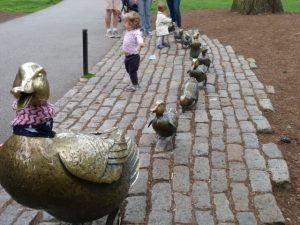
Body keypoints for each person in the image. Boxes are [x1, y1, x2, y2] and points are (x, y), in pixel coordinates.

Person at [122, 11, 144, 91]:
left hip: (134, 57)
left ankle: (135, 85)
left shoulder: (136, 32)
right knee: (129, 70)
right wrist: (120, 14)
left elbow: (139, 38)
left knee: (132, 72)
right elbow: (123, 17)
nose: (124, 24)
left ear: (132, 24)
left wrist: (140, 43)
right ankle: (134, 82)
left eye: (126, 23)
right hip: (127, 56)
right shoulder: (128, 30)